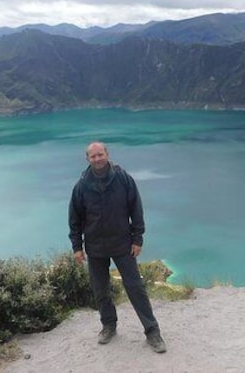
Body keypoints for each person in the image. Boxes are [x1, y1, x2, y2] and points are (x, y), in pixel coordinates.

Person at [68, 141, 167, 353]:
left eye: (100, 154)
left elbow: (135, 209)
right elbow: (75, 219)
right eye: (93, 156)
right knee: (100, 290)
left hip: (122, 244)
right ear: (88, 160)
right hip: (95, 247)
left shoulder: (123, 179)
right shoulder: (81, 186)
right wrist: (77, 247)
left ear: (107, 154)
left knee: (135, 288)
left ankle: (152, 331)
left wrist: (137, 238)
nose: (97, 159)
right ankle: (109, 325)